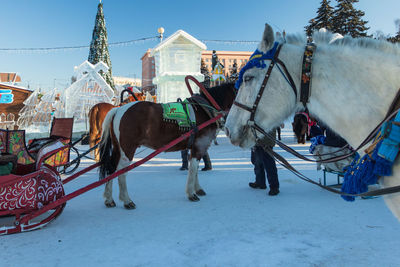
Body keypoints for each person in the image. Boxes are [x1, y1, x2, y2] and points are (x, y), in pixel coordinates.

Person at [249, 129, 280, 196]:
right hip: (255, 140)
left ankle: (274, 187)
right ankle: (260, 182)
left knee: (269, 164)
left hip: (266, 140)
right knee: (256, 162)